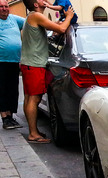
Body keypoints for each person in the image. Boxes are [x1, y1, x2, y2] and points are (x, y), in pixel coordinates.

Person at [20, 0, 74, 143]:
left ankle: (34, 131)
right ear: (36, 4)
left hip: (30, 63)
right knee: (34, 98)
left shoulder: (33, 17)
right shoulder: (35, 16)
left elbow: (55, 28)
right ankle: (33, 134)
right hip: (34, 64)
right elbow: (61, 29)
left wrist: (59, 21)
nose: (45, 0)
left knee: (29, 97)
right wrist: (68, 16)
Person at [0, 0, 25, 130]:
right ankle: (5, 118)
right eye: (1, 7)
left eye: (6, 6)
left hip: (14, 61)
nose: (4, 9)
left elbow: (30, 24)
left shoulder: (14, 19)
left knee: (12, 90)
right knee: (2, 90)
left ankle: (10, 117)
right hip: (1, 61)